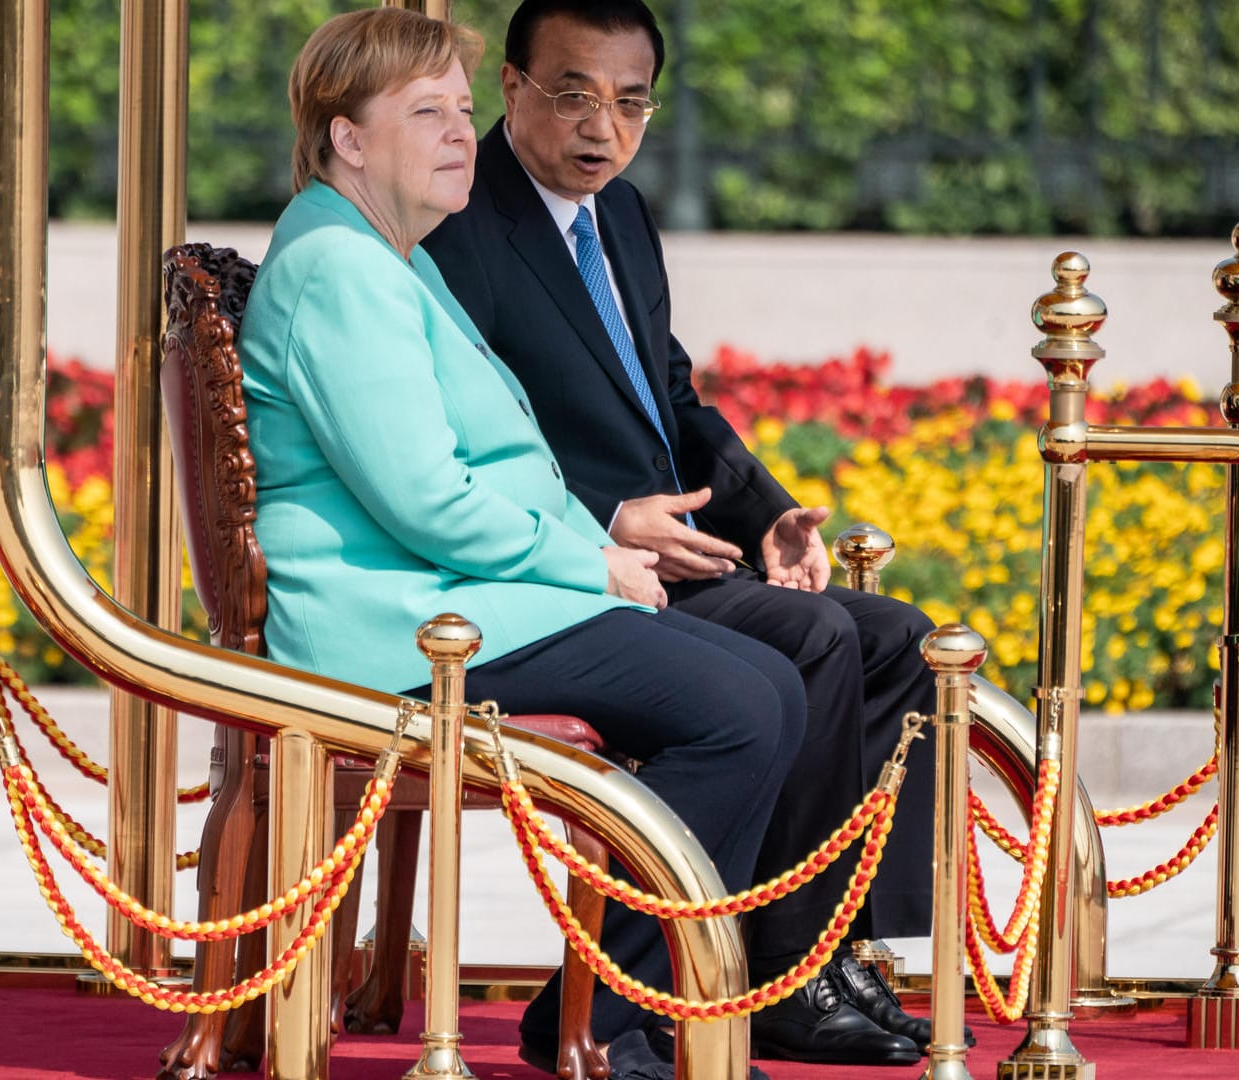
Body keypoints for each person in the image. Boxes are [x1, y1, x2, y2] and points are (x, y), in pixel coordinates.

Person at [238, 9, 892, 1077]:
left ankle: (636, 1004)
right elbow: (426, 500)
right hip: (403, 621)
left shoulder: (374, 249)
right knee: (746, 705)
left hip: (459, 597)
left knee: (773, 681)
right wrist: (592, 562)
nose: (461, 134)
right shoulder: (342, 266)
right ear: (348, 137)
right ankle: (605, 1017)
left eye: (460, 110)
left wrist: (592, 556)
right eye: (427, 114)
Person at [421, 0, 946, 1066]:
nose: (599, 128)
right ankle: (728, 983)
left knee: (902, 640)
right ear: (513, 89)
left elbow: (670, 394)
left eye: (628, 103)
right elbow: (457, 430)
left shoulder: (621, 216)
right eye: (571, 95)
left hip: (678, 551)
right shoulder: (460, 224)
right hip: (573, 567)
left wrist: (768, 514)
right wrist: (612, 523)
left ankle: (821, 951)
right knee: (817, 641)